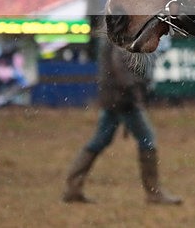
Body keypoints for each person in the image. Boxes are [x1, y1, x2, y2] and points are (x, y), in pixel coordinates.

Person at [62, 38, 182, 205]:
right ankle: (154, 192)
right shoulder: (123, 35)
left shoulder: (115, 33)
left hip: (114, 96)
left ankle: (73, 187)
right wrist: (135, 92)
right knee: (147, 139)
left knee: (100, 140)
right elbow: (122, 68)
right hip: (124, 98)